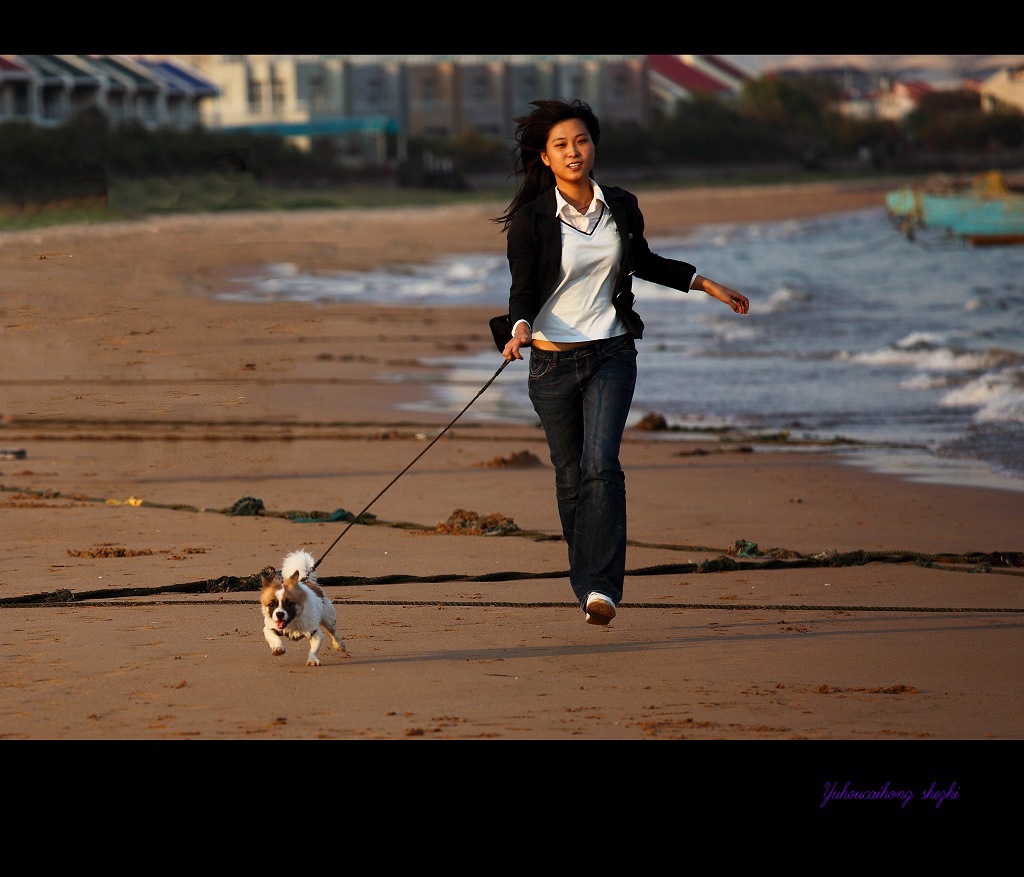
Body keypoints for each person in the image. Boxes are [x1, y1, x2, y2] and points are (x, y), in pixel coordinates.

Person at [491, 98, 749, 626]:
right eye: (560, 144)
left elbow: (645, 262)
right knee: (569, 477)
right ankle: (584, 577)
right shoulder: (530, 222)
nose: (573, 151)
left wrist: (704, 283)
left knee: (601, 466)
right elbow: (521, 294)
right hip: (550, 362)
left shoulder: (622, 206)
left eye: (581, 141)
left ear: (594, 146)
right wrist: (519, 330)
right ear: (544, 157)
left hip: (612, 351)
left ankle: (601, 589)